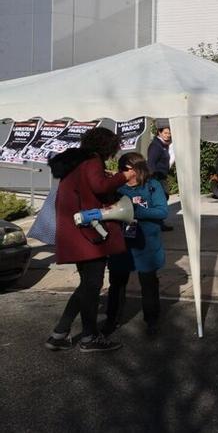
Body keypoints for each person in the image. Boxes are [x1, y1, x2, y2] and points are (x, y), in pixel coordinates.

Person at [45, 127, 137, 353]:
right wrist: (124, 176)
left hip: (76, 233)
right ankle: (89, 338)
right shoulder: (93, 161)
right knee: (92, 285)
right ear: (106, 146)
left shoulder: (77, 162)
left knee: (87, 285)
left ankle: (59, 334)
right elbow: (99, 186)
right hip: (88, 235)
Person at [101, 152, 170, 337]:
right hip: (121, 244)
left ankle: (152, 321)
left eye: (127, 169)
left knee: (148, 284)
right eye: (121, 169)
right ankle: (112, 320)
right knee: (116, 284)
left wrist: (134, 211)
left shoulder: (152, 186)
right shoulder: (118, 188)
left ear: (137, 169)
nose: (124, 172)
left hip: (147, 244)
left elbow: (162, 212)